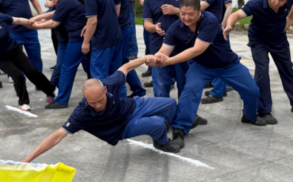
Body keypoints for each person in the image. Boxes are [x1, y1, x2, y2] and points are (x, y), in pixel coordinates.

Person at [153, 0, 266, 146]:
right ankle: (179, 129)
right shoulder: (175, 28)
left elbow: (198, 49)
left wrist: (170, 61)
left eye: (190, 14)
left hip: (228, 65)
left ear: (200, 11)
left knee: (252, 91)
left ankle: (249, 116)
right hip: (201, 67)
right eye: (183, 13)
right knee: (190, 90)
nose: (186, 18)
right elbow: (164, 51)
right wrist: (157, 58)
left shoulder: (209, 20)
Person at [21, 58, 183, 161]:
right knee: (156, 123)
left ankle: (167, 127)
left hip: (133, 106)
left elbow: (125, 67)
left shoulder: (109, 83)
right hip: (121, 128)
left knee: (170, 104)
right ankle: (161, 142)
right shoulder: (82, 114)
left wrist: (145, 59)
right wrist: (27, 160)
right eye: (92, 103)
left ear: (105, 90)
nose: (98, 105)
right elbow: (56, 136)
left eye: (100, 100)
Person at [223, 0, 293, 123]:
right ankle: (264, 110)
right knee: (262, 70)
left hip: (278, 38)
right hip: (259, 40)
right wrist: (229, 25)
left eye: (281, 0)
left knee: (287, 68)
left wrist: (290, 17)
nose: (277, 2)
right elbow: (236, 15)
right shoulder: (256, 3)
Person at [29, 0, 91, 109]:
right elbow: (56, 13)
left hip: (77, 38)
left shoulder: (67, 0)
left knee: (67, 68)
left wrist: (34, 26)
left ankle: (62, 100)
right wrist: (38, 17)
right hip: (71, 38)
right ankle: (54, 94)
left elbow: (53, 23)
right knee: (80, 68)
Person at [142, 0, 193, 99]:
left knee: (185, 86)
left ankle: (185, 112)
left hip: (183, 48)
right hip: (159, 48)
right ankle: (163, 112)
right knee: (161, 88)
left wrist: (176, 11)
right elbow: (146, 23)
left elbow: (195, 16)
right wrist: (154, 28)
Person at [98, 0, 146, 97]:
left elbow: (115, 13)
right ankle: (138, 90)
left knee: (118, 64)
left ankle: (122, 96)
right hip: (123, 28)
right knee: (123, 62)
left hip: (121, 29)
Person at [77, 0, 125, 92]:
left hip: (102, 41)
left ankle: (103, 102)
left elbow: (93, 20)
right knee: (116, 75)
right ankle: (121, 100)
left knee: (99, 78)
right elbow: (107, 13)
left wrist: (86, 42)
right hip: (115, 37)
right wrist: (88, 25)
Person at [198, 0, 235, 104]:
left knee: (220, 58)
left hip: (219, 28)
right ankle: (218, 86)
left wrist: (223, 24)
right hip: (211, 28)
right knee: (214, 58)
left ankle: (219, 90)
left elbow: (229, 7)